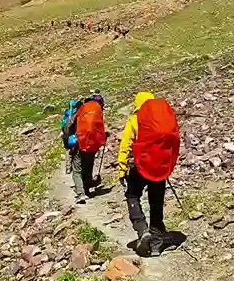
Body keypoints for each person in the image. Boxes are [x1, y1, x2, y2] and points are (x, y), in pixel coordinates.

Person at [118, 91, 181, 257]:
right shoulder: (162, 120)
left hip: (139, 166)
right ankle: (156, 245)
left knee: (132, 195)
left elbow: (125, 145)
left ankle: (142, 229)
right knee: (156, 202)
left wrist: (122, 169)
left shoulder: (135, 120)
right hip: (159, 167)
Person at [62, 93, 106, 204]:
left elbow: (68, 127)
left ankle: (81, 194)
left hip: (79, 143)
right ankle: (87, 190)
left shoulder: (80, 110)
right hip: (92, 145)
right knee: (88, 166)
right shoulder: (97, 112)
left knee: (77, 170)